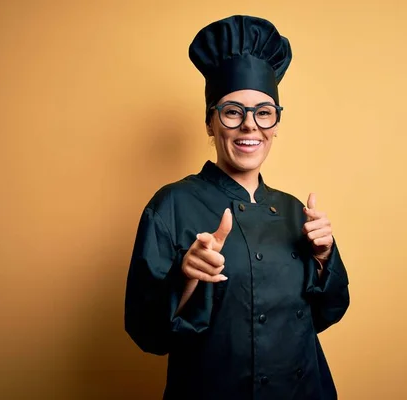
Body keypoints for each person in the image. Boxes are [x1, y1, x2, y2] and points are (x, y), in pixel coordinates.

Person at [125, 15, 350, 400]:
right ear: (211, 122)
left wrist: (324, 257)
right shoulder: (171, 205)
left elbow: (327, 314)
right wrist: (186, 278)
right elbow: (146, 333)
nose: (250, 126)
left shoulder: (295, 211)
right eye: (233, 111)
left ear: (276, 123)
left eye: (264, 112)